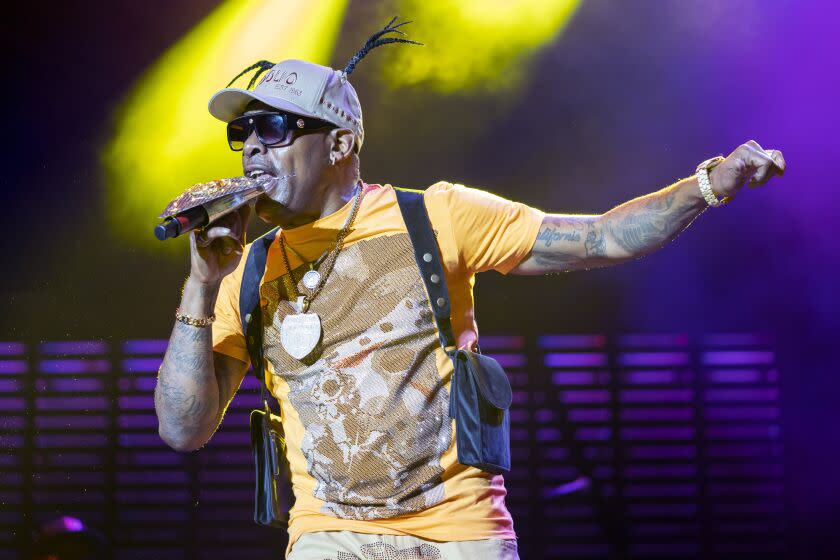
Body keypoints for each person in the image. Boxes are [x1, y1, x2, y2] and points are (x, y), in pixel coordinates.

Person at [153, 18, 786, 560]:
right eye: (243, 134)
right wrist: (201, 285)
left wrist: (708, 186)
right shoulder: (245, 267)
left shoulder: (436, 217)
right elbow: (183, 431)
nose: (252, 149)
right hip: (330, 538)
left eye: (274, 128)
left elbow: (601, 238)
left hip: (458, 537)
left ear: (340, 142)